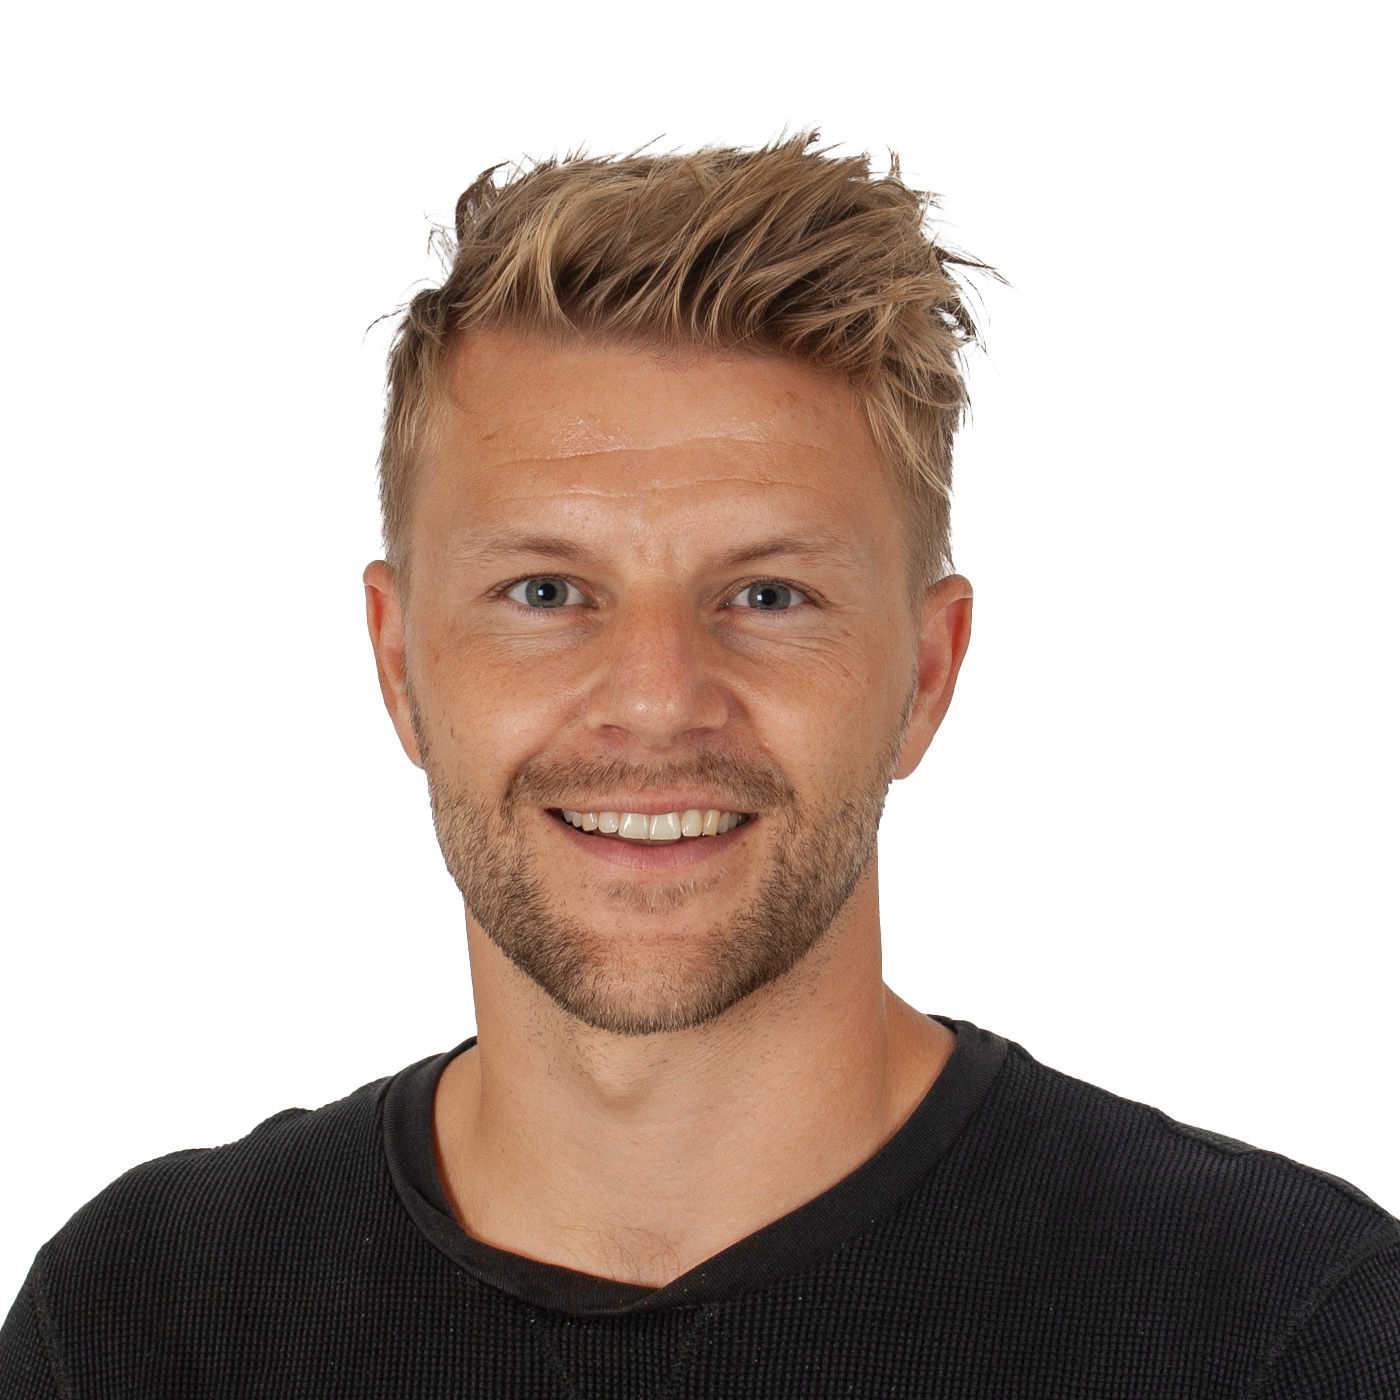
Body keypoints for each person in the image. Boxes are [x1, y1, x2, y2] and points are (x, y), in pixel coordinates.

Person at [2, 133, 1396, 1399]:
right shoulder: (140, 1326)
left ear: (926, 673)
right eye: (546, 592)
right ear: (398, 662)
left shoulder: (1284, 1332)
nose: (658, 700)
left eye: (769, 595)